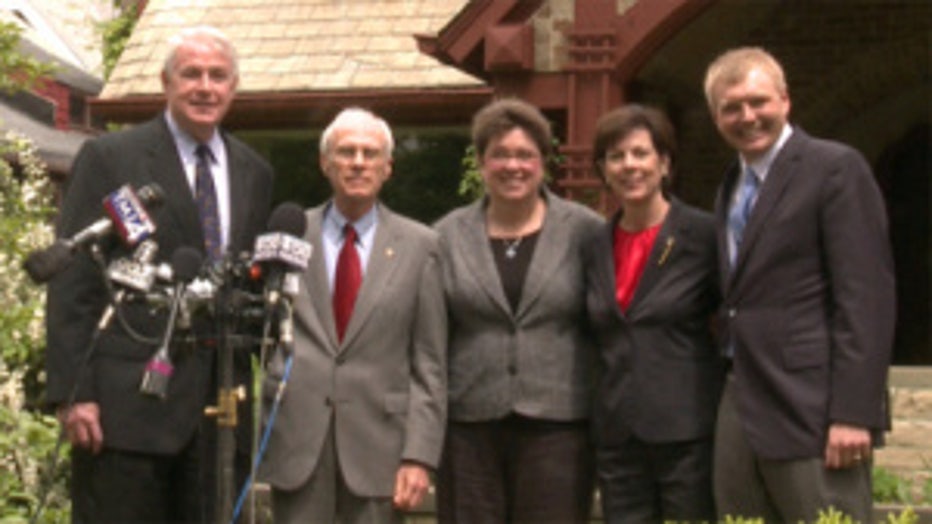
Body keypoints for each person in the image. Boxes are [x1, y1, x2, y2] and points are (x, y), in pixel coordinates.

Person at [45, 26, 274, 522]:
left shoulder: (253, 171)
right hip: (125, 409)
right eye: (191, 74)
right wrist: (74, 392)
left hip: (219, 412)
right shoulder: (113, 158)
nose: (205, 87)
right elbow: (76, 280)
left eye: (218, 76)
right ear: (166, 83)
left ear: (233, 88)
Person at [704, 46, 895, 522]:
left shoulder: (833, 168)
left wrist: (854, 411)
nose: (747, 116)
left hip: (813, 404)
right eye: (731, 107)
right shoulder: (731, 185)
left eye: (758, 101)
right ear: (715, 117)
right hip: (742, 394)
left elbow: (866, 295)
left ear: (785, 100)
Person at [258, 107, 447, 523]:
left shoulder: (422, 246)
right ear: (325, 163)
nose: (358, 162)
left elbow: (429, 363)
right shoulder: (287, 235)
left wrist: (420, 455)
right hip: (298, 444)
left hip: (380, 447)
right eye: (346, 152)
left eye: (370, 153)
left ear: (387, 168)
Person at [434, 98, 602, 523]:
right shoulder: (447, 236)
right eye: (501, 155)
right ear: (481, 162)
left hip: (559, 427)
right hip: (469, 425)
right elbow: (432, 338)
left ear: (544, 161)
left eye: (525, 155)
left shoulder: (585, 231)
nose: (514, 166)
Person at [584, 104, 721, 523]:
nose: (630, 166)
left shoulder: (704, 236)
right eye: (616, 156)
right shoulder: (592, 244)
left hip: (687, 433)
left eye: (640, 154)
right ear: (604, 169)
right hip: (617, 436)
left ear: (664, 163)